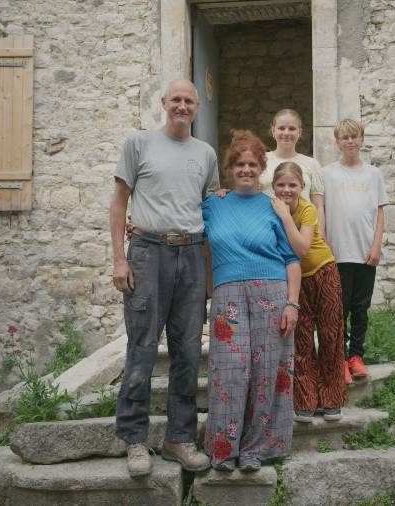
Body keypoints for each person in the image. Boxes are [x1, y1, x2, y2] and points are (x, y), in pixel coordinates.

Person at [109, 79, 218, 477]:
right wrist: (120, 260)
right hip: (147, 253)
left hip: (191, 253)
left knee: (188, 353)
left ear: (197, 107)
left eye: (189, 101)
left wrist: (210, 275)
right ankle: (135, 441)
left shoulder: (205, 154)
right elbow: (119, 202)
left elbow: (210, 210)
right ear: (163, 103)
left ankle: (179, 439)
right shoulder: (138, 145)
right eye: (177, 100)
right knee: (141, 350)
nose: (183, 106)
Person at [202, 130, 301, 472]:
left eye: (252, 164)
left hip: (272, 294)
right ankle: (223, 449)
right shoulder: (213, 203)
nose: (246, 169)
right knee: (228, 371)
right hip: (227, 294)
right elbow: (184, 232)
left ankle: (255, 450)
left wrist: (292, 303)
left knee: (266, 373)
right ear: (230, 168)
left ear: (261, 168)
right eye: (240, 164)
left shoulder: (274, 206)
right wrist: (137, 228)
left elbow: (292, 258)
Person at [270, 162, 347, 422]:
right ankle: (305, 399)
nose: (286, 190)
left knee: (330, 336)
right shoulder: (269, 207)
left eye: (292, 185)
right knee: (300, 341)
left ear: (302, 186)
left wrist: (285, 217)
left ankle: (332, 398)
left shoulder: (308, 209)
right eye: (281, 185)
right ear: (273, 187)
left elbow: (302, 248)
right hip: (295, 280)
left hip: (324, 273)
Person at [322, 119, 388, 383]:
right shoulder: (328, 173)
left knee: (361, 308)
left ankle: (356, 356)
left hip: (364, 253)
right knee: (338, 309)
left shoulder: (373, 174)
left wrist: (376, 245)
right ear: (337, 141)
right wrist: (325, 243)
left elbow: (380, 212)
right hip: (338, 253)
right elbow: (321, 210)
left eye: (354, 137)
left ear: (362, 140)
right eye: (345, 137)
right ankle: (339, 359)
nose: (350, 141)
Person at [261, 109, 327, 237]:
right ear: (273, 130)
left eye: (291, 128)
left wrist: (319, 235)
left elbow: (318, 206)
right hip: (268, 234)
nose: (286, 133)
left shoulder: (312, 164)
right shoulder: (260, 160)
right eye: (281, 128)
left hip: (303, 234)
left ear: (300, 132)